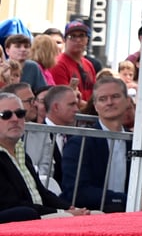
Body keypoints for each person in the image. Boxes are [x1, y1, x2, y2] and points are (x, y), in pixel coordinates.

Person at [60, 76, 142, 212]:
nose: (109, 102)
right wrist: (127, 200)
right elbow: (78, 191)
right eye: (102, 99)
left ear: (127, 101)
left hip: (133, 213)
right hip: (92, 213)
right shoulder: (80, 142)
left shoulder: (136, 142)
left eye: (115, 96)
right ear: (95, 106)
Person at [0, 92, 89, 220]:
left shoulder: (21, 153)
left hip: (35, 216)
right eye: (6, 115)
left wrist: (70, 208)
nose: (15, 119)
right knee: (26, 212)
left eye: (20, 114)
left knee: (95, 215)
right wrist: (61, 213)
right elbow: (11, 203)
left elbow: (42, 193)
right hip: (17, 220)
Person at [23, 85, 77, 192]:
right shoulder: (34, 136)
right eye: (71, 104)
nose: (76, 109)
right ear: (56, 107)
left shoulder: (76, 138)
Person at [49, 21, 97, 104]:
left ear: (87, 39)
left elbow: (95, 93)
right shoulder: (58, 64)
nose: (78, 40)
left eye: (82, 36)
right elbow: (62, 99)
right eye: (72, 36)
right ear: (65, 40)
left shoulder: (88, 64)